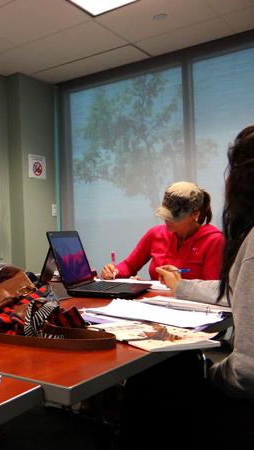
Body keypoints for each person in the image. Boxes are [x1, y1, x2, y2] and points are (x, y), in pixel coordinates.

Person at [119, 125, 254, 449]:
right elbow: (231, 290)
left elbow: (247, 372)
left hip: (238, 393)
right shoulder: (156, 234)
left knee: (159, 374)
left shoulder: (221, 241)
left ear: (195, 215)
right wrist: (179, 287)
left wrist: (206, 373)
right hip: (163, 312)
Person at [101, 181, 224, 280]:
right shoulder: (155, 234)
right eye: (165, 214)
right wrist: (114, 271)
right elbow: (129, 265)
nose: (167, 220)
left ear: (195, 214)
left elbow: (211, 290)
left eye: (174, 216)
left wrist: (177, 285)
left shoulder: (214, 241)